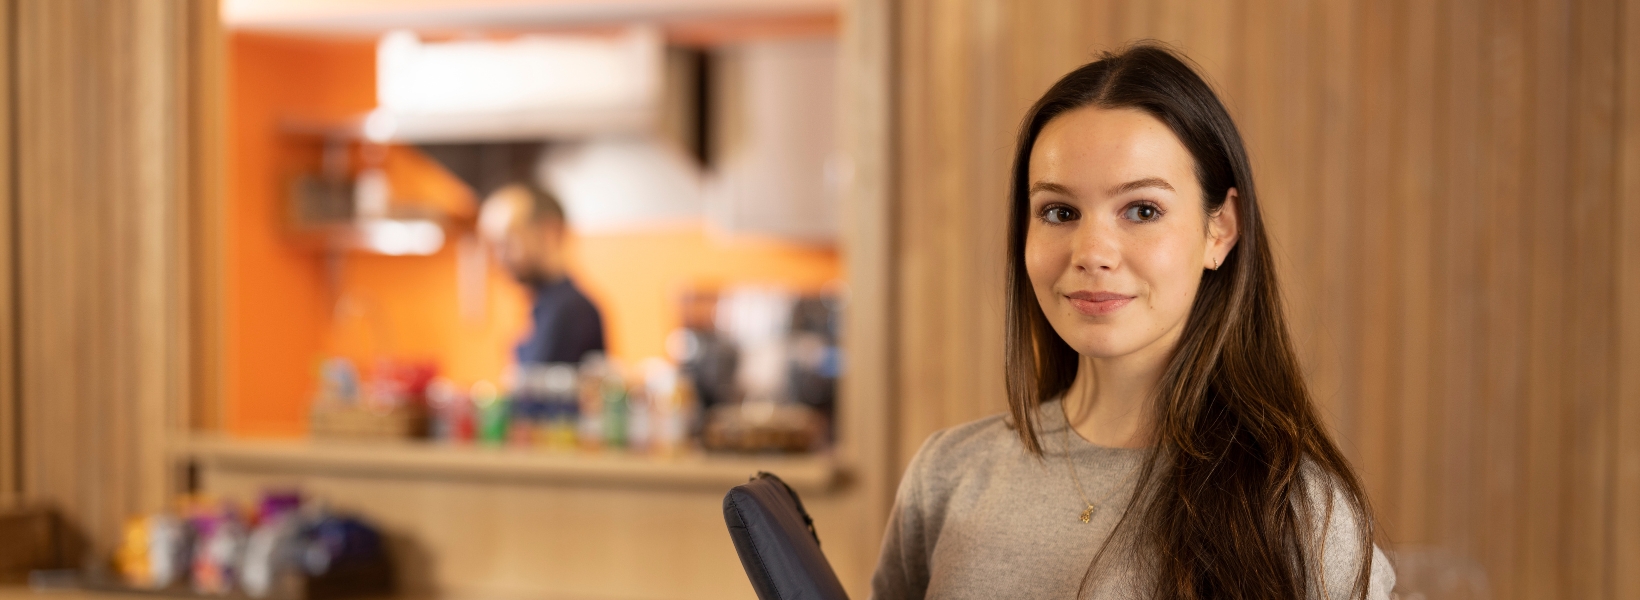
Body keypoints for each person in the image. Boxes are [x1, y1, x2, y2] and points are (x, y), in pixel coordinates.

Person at [870, 44, 1396, 599]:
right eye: (1059, 212)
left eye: (1142, 210)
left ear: (1219, 230)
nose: (1092, 252)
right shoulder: (945, 479)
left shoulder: (1297, 513)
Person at [478, 182, 606, 366]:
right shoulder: (544, 307)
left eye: (508, 243)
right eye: (495, 247)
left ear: (549, 233)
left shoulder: (571, 311)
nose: (500, 258)